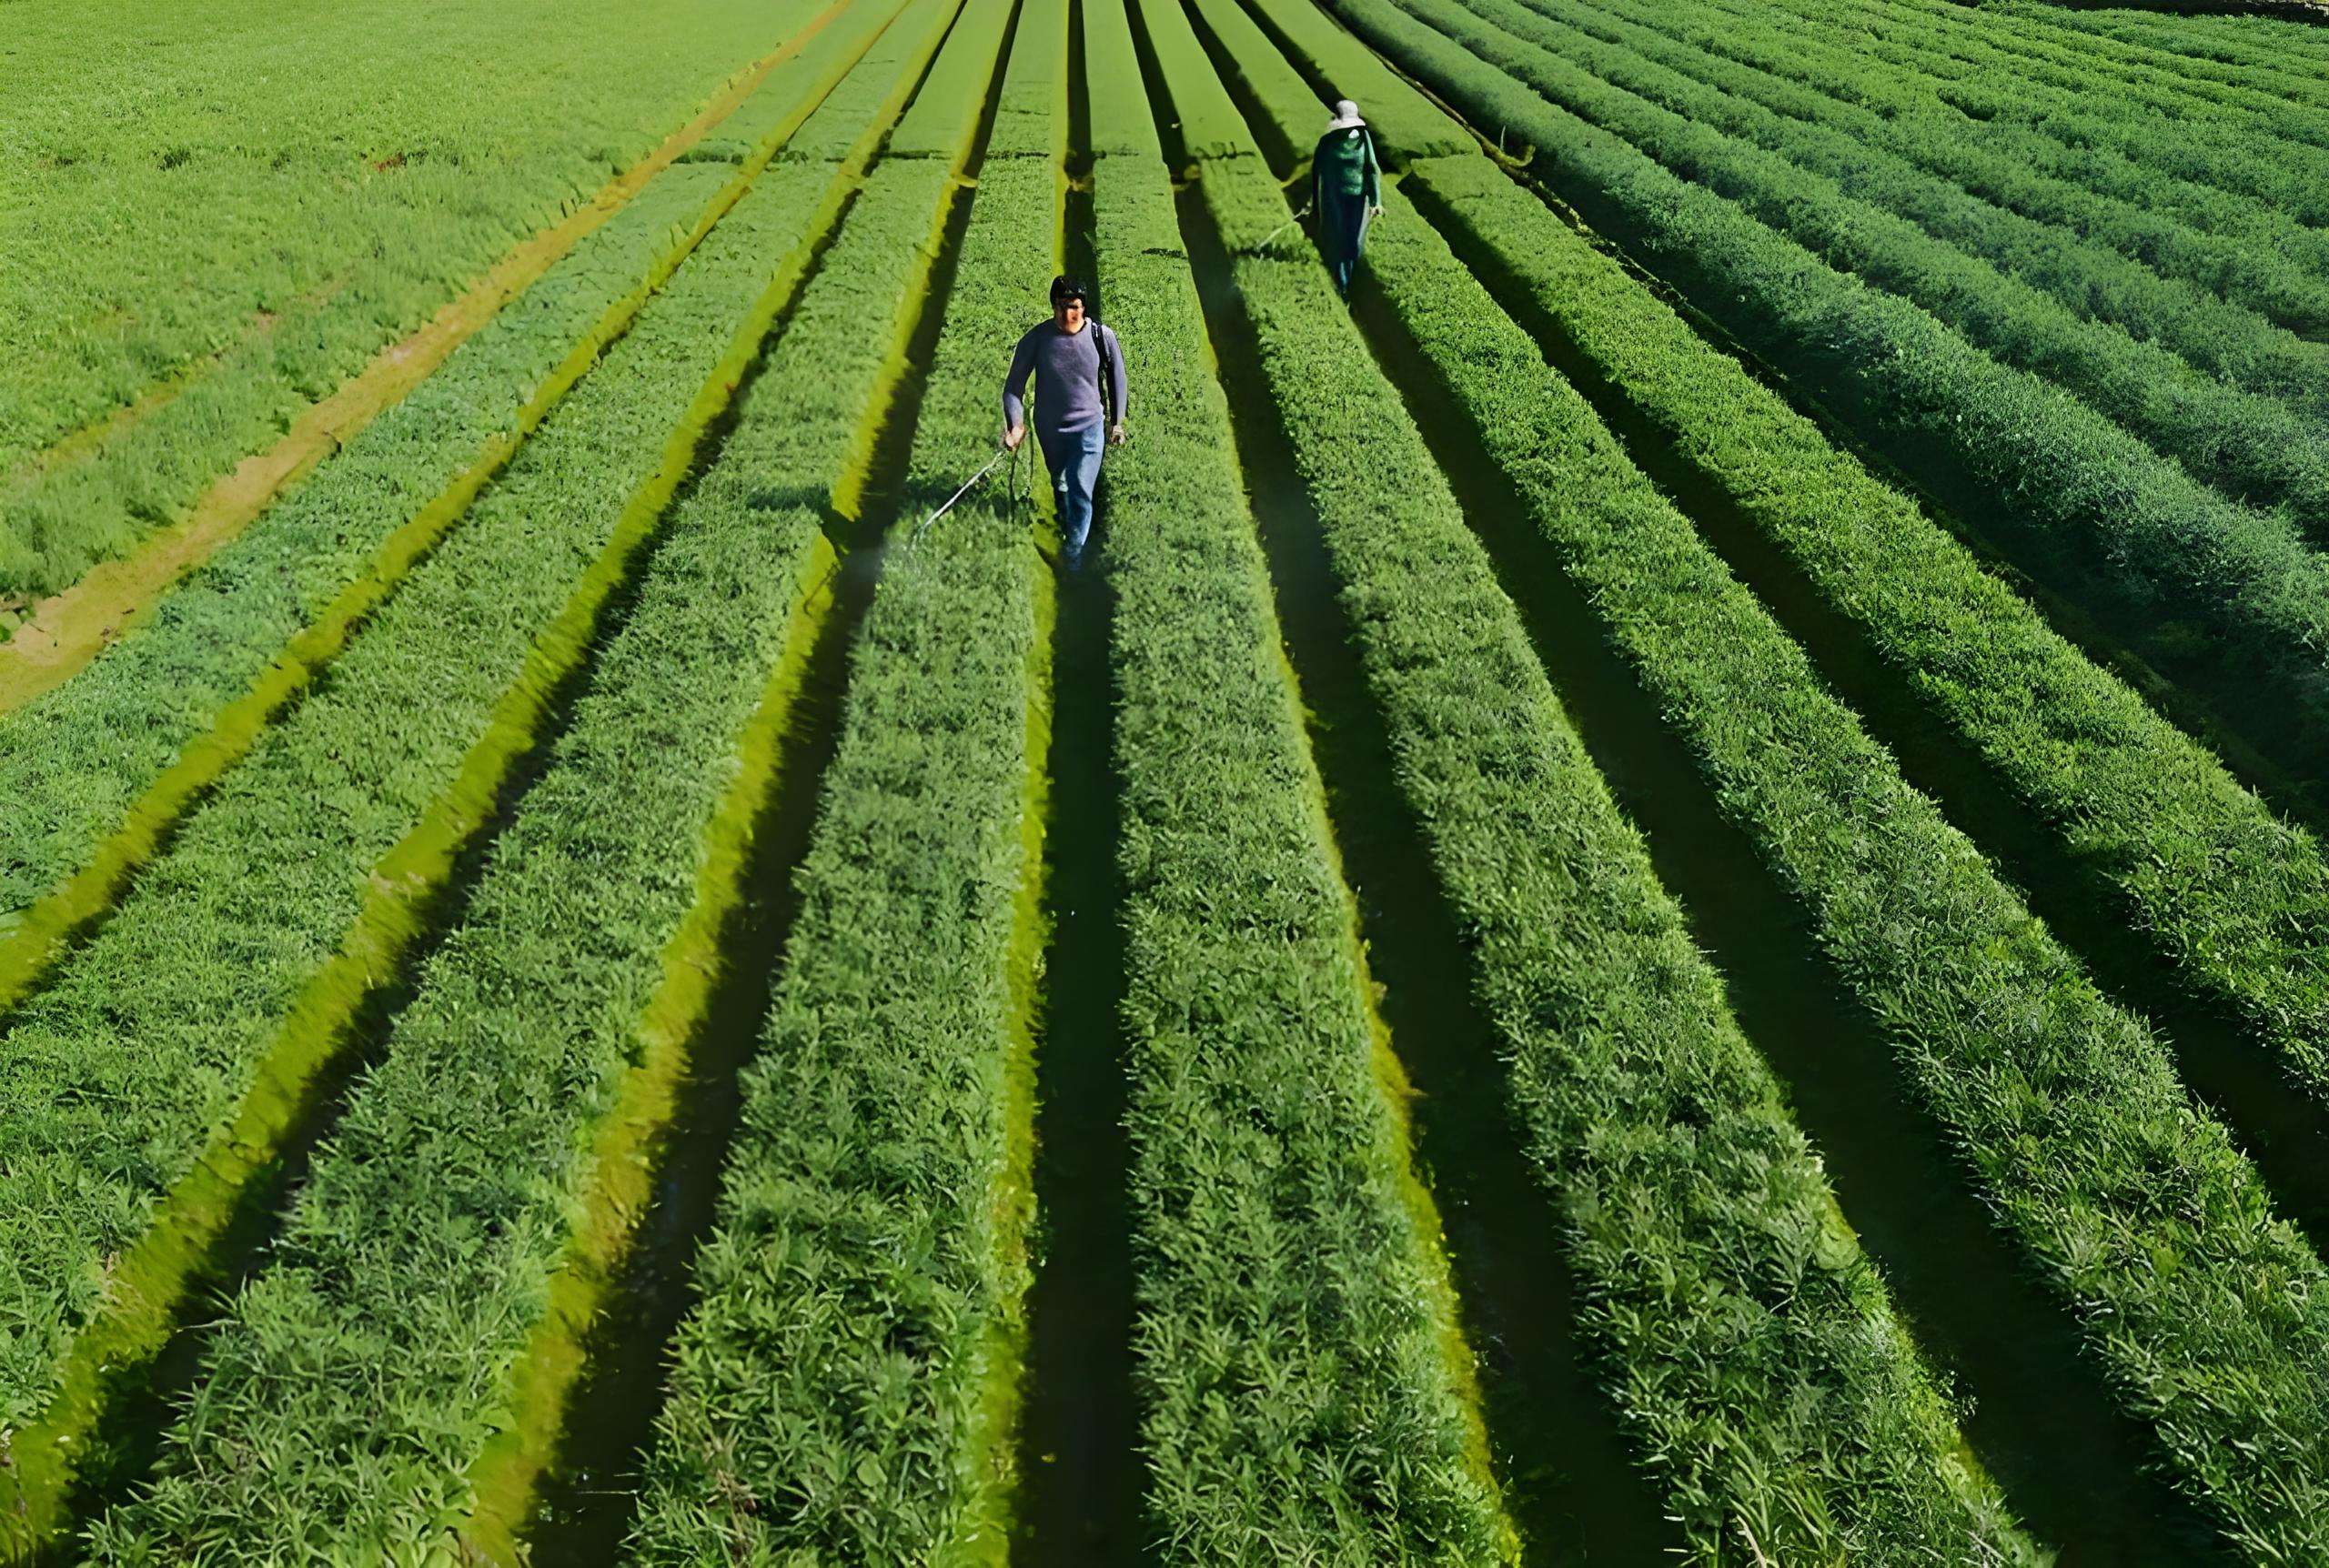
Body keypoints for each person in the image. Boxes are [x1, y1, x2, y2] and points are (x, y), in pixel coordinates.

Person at [1002, 275, 1127, 568]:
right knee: (1061, 482)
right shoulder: (1036, 340)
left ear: (1083, 308)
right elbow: (1013, 388)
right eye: (1061, 306)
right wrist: (1016, 424)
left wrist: (1116, 422)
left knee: (1080, 485)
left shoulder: (1101, 337)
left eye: (1074, 306)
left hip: (1089, 427)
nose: (1068, 313)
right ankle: (1064, 513)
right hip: (1050, 429)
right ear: (1053, 306)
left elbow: (1117, 376)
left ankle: (1072, 558)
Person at [1312, 98, 1384, 299]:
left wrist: (1376, 200)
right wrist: (1313, 199)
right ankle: (1338, 285)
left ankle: (1345, 284)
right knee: (1336, 238)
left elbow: (1371, 169)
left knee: (1352, 244)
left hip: (1358, 199)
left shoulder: (1363, 139)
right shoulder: (1327, 142)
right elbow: (1317, 171)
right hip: (1333, 196)